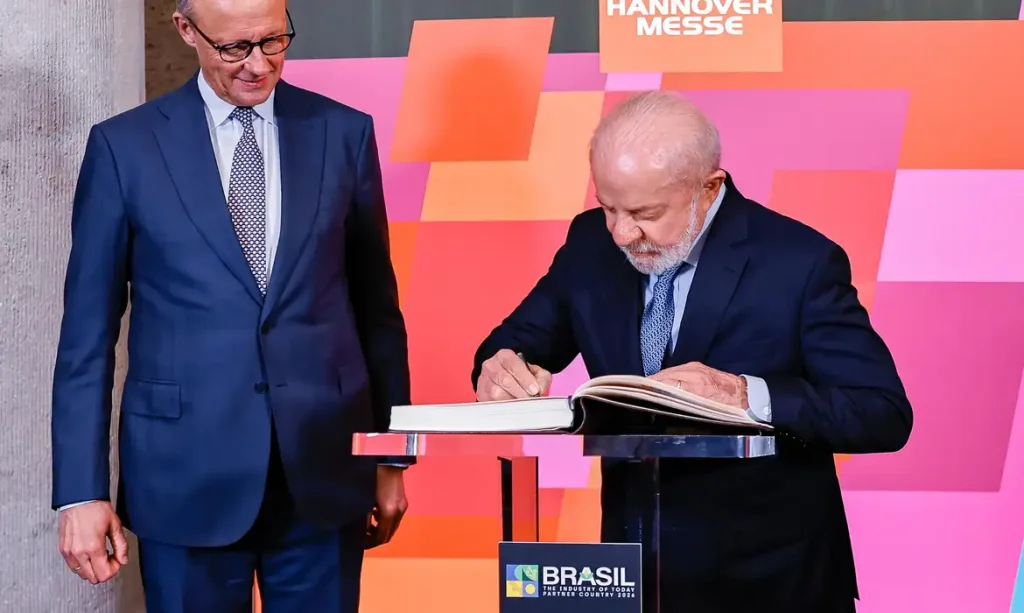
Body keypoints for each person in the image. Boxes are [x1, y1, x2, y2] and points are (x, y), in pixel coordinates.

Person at [472, 91, 912, 612]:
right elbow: (516, 342)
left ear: (708, 187)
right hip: (636, 578)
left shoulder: (801, 262)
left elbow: (881, 412)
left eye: (645, 213)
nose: (621, 233)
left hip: (773, 584)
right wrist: (500, 367)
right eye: (608, 207)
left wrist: (746, 395)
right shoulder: (589, 243)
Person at [50, 0, 412, 610]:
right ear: (186, 31)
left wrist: (391, 456)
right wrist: (80, 492)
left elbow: (378, 312)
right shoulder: (124, 148)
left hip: (324, 478)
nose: (259, 65)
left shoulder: (344, 133)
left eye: (273, 41)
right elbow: (87, 337)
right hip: (182, 478)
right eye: (235, 48)